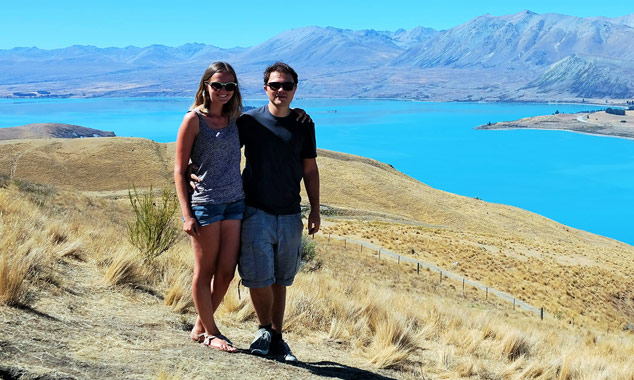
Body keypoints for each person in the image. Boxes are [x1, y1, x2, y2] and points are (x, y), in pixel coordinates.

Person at [237, 62, 320, 362]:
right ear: (265, 88)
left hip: (289, 214)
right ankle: (264, 330)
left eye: (286, 86)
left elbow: (310, 170)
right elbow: (222, 148)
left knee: (280, 279)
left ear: (295, 89)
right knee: (259, 277)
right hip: (255, 211)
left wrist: (315, 210)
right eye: (275, 85)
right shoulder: (249, 122)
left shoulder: (304, 125)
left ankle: (277, 336)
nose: (280, 91)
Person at [174, 62, 244, 352]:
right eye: (217, 85)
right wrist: (186, 214)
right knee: (205, 271)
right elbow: (179, 170)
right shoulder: (193, 120)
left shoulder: (236, 119)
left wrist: (299, 116)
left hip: (235, 203)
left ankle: (201, 326)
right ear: (206, 86)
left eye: (229, 86)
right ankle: (210, 332)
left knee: (227, 272)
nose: (223, 91)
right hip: (205, 205)